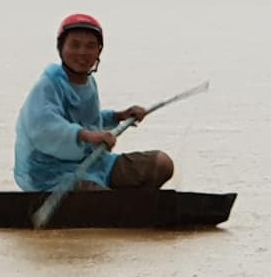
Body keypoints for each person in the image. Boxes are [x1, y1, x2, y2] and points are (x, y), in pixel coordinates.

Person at [14, 13, 174, 192]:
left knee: (161, 164)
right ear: (61, 48)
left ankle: (128, 208)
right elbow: (45, 127)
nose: (82, 52)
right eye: (75, 45)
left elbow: (89, 120)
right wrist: (86, 136)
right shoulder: (48, 85)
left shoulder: (88, 83)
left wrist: (119, 115)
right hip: (52, 174)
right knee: (96, 196)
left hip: (94, 163)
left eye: (90, 46)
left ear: (99, 51)